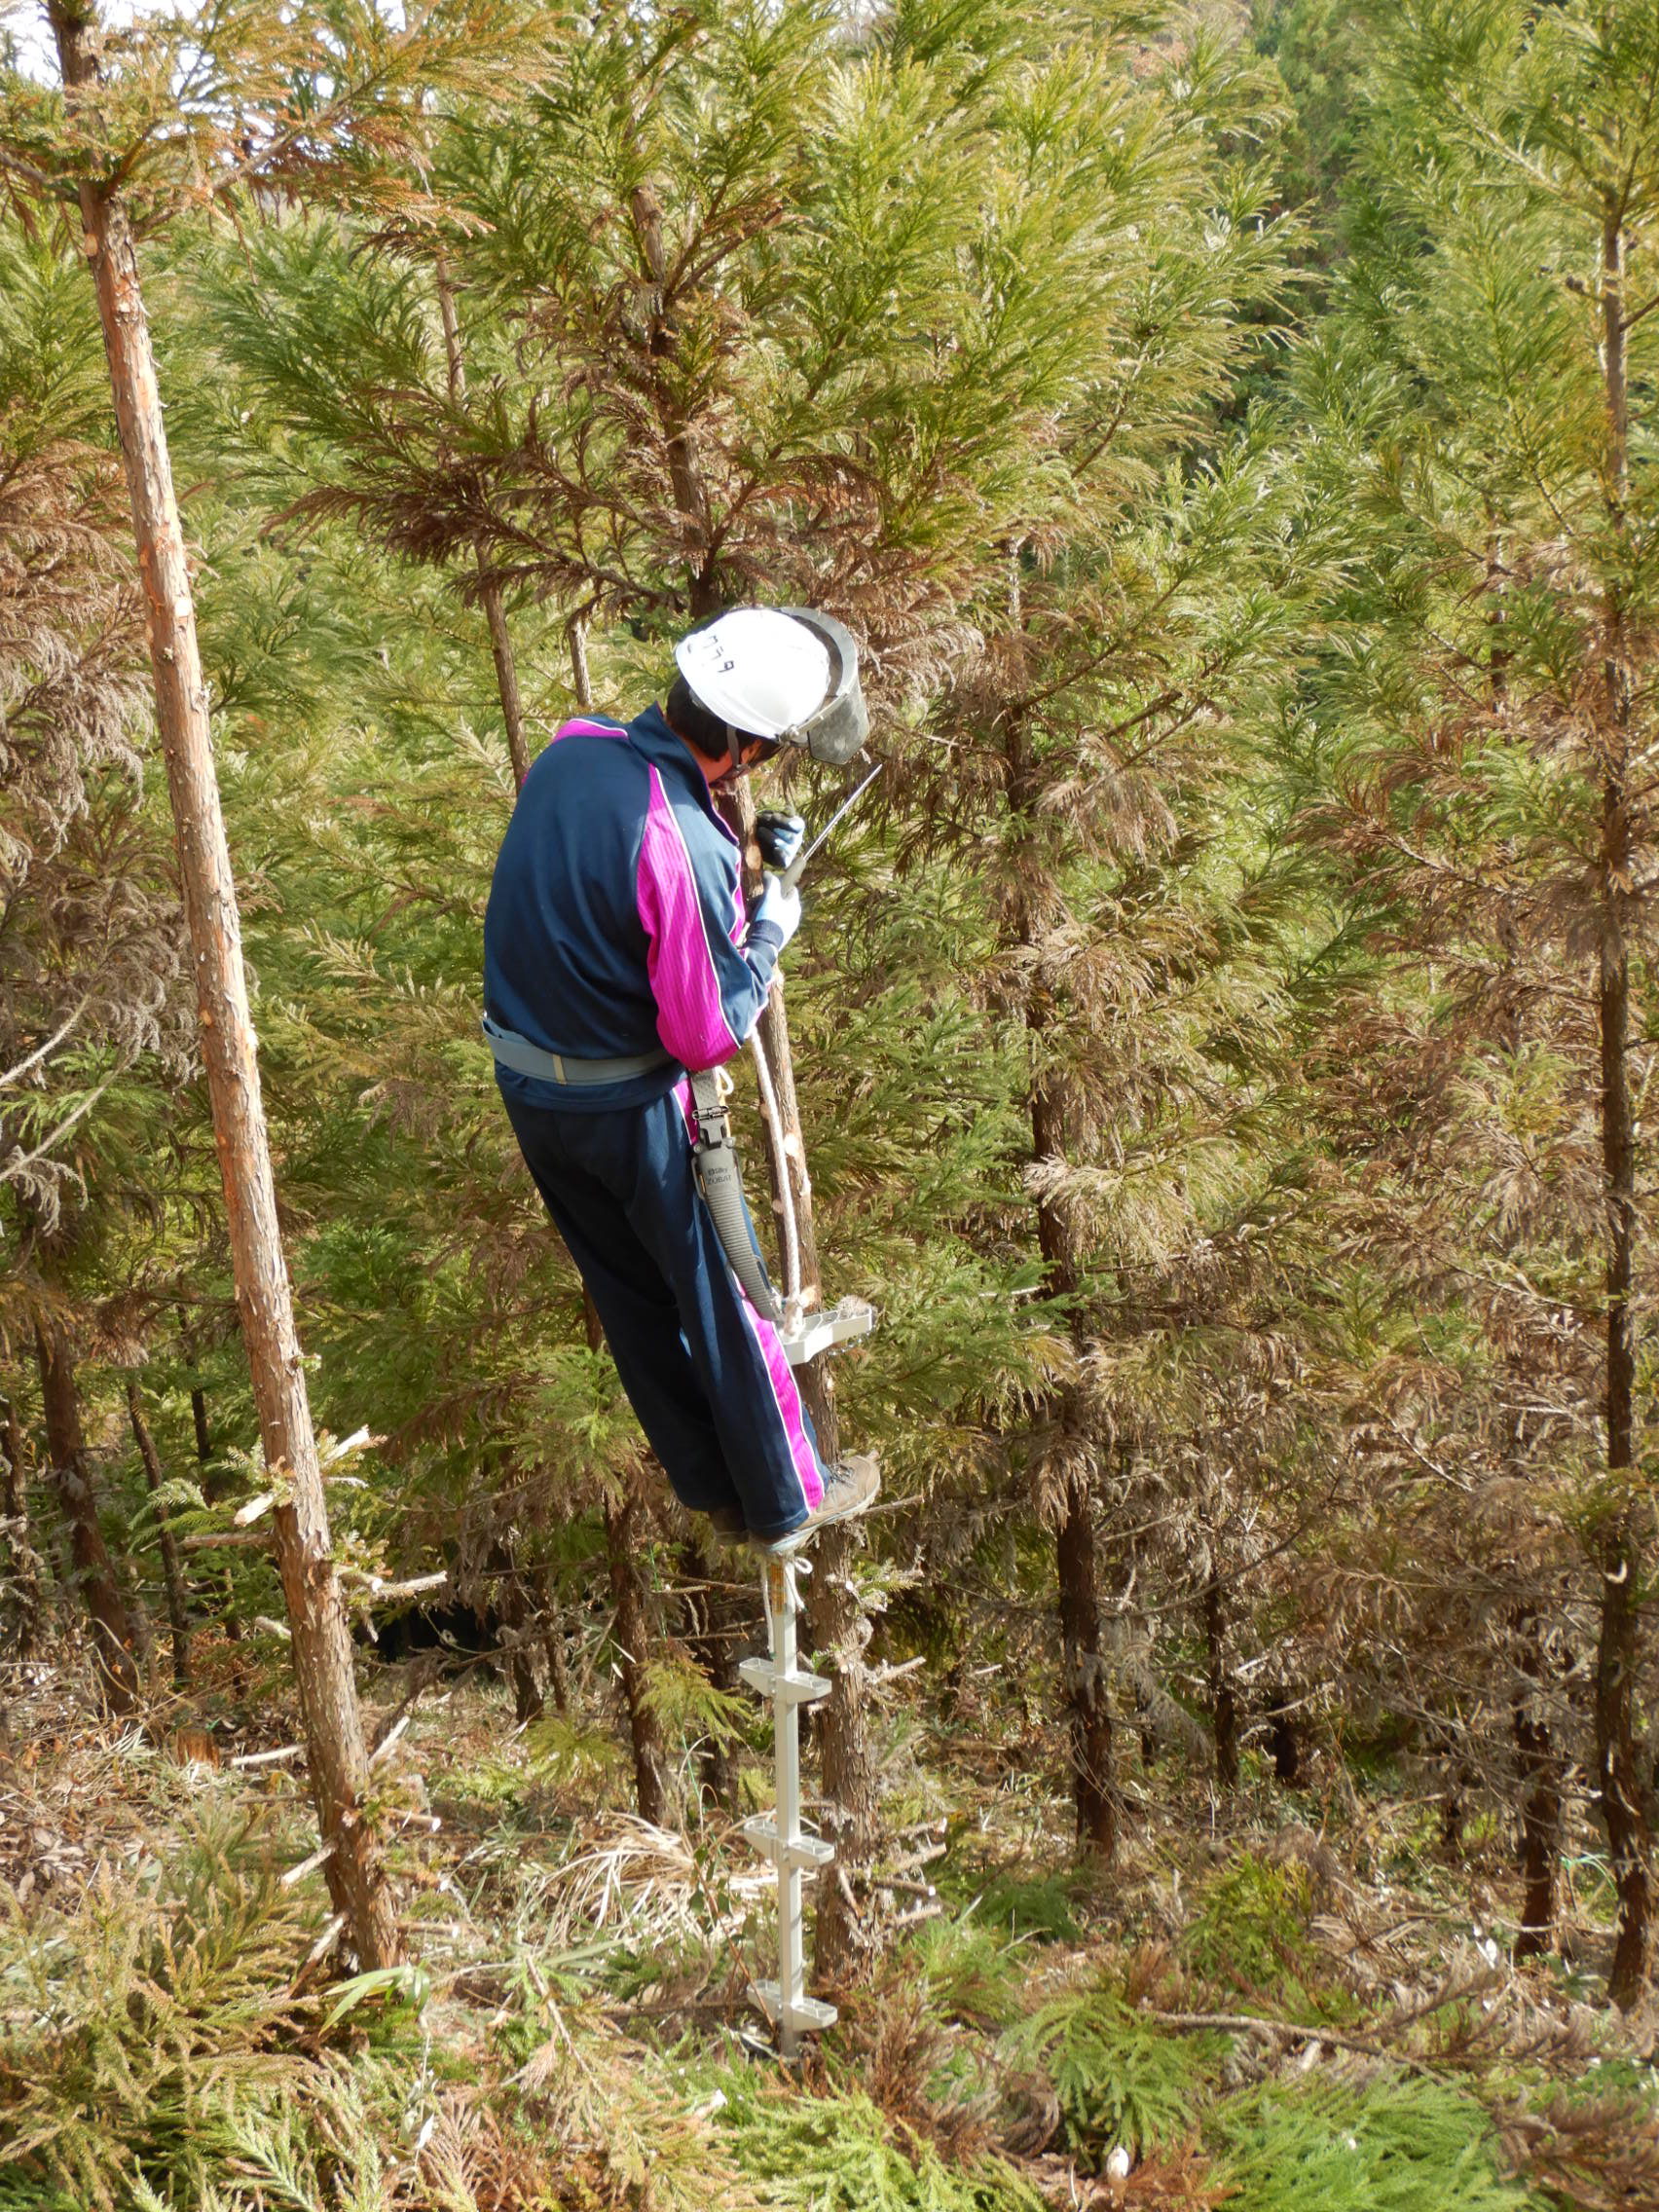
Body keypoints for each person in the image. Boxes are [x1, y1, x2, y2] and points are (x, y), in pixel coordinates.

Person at [482, 607, 881, 1554]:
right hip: (629, 1108)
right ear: (743, 747)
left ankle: (713, 1480)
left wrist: (732, 891)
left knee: (631, 1300)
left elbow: (609, 896)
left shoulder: (572, 750)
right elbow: (702, 1033)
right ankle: (787, 1499)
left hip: (532, 1088)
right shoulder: (684, 840)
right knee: (723, 1294)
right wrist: (771, 923)